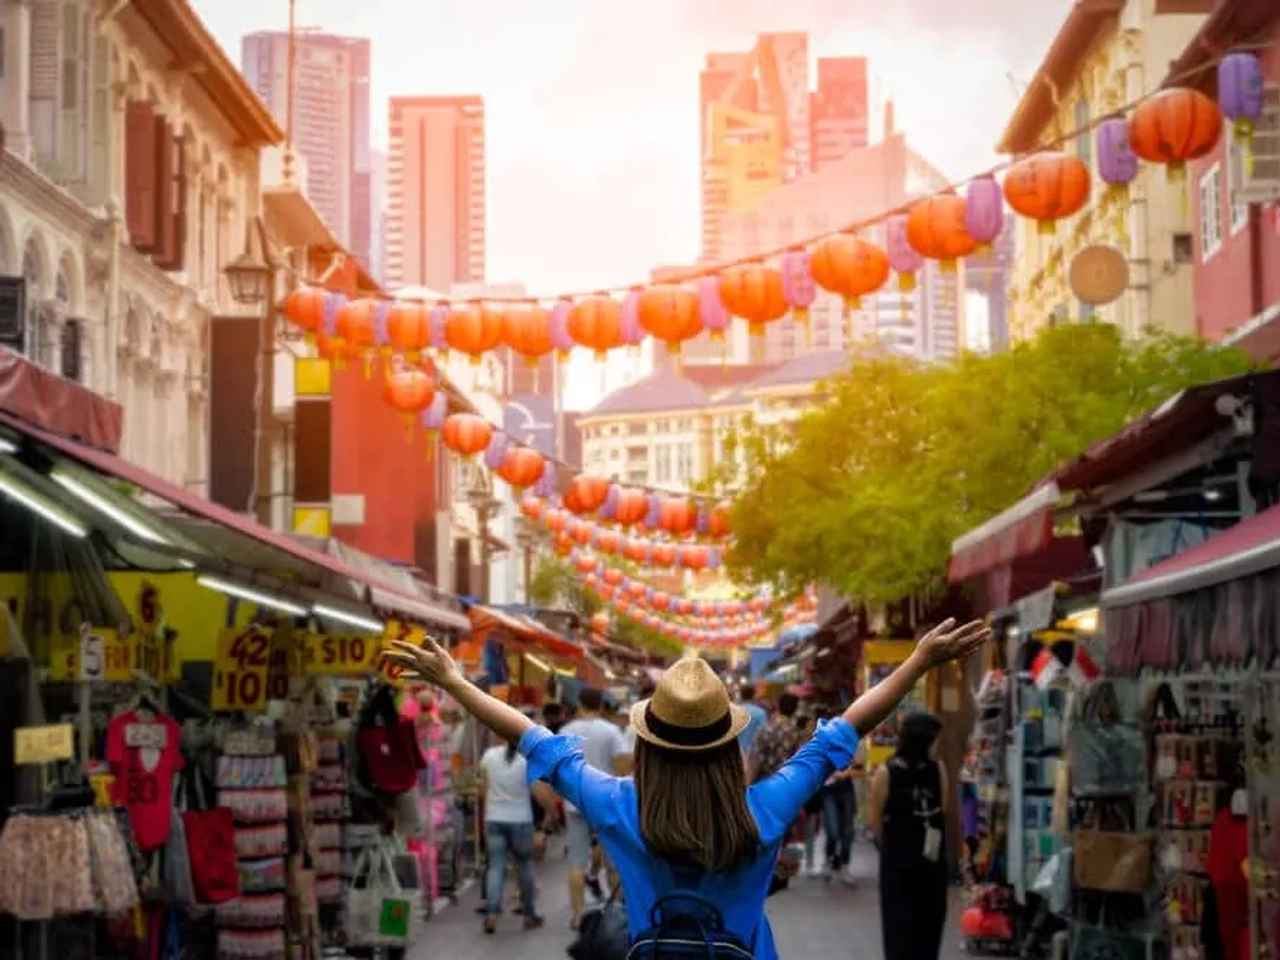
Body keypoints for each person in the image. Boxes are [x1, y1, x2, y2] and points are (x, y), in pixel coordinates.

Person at [385, 617, 988, 960]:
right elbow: (843, 731)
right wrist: (917, 663)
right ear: (729, 744)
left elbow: (537, 739)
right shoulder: (763, 810)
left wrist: (456, 684)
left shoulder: (622, 807)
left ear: (650, 743)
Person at [867, 711, 949, 960]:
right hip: (903, 859)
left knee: (928, 921)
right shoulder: (888, 772)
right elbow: (875, 819)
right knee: (901, 923)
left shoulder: (938, 769)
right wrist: (892, 845)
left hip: (925, 860)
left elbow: (943, 808)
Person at [559, 685, 627, 927]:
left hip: (575, 802)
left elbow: (559, 768)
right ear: (600, 706)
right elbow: (621, 766)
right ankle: (618, 911)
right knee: (614, 862)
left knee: (576, 862)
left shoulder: (566, 731)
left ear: (578, 704)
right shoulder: (611, 731)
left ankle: (577, 915)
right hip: (606, 801)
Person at [478, 735, 559, 933]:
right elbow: (540, 792)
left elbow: (483, 791)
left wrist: (485, 818)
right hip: (520, 820)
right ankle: (530, 914)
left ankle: (491, 913)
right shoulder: (527, 760)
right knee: (524, 865)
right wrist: (553, 813)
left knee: (496, 865)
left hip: (494, 818)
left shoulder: (489, 756)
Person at [736, 683, 768, 759]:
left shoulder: (735, 712)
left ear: (741, 695)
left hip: (736, 753)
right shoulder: (760, 713)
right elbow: (763, 734)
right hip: (753, 755)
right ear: (753, 695)